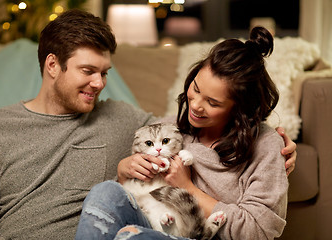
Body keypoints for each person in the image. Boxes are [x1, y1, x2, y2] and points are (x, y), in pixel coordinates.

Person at [0, 9, 295, 239]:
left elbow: (175, 137)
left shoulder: (128, 119)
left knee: (108, 194)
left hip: (120, 231)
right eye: (88, 71)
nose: (99, 84)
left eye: (105, 72)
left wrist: (282, 151)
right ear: (52, 65)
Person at [75, 26, 290, 240]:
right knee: (105, 192)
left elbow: (258, 230)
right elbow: (133, 200)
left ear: (239, 110)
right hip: (153, 225)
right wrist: (124, 173)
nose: (195, 106)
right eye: (195, 89)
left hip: (199, 234)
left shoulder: (265, 145)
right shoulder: (170, 129)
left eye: (212, 102)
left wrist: (187, 187)